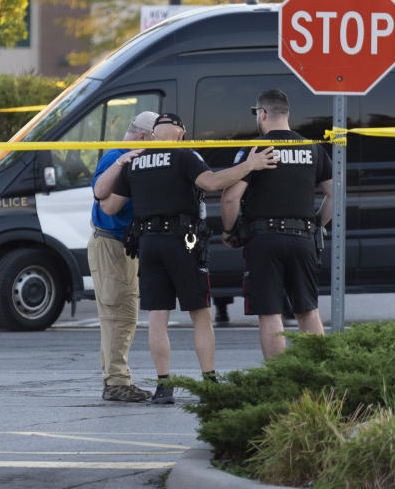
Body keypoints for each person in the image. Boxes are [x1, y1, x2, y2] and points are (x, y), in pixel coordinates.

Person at [99, 112, 277, 404]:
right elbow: (212, 182)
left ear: (155, 134)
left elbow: (109, 207)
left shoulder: (136, 162)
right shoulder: (185, 156)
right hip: (182, 242)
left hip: (148, 244)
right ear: (181, 134)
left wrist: (118, 165)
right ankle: (208, 383)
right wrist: (251, 165)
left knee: (158, 317)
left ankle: (164, 386)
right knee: (200, 315)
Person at [220, 89, 333, 358]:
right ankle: (319, 375)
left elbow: (230, 199)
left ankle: (279, 380)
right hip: (303, 238)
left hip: (264, 240)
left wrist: (228, 230)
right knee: (308, 310)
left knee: (270, 313)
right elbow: (335, 193)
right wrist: (317, 223)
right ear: (287, 113)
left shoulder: (256, 150)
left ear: (263, 113)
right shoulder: (312, 148)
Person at [89, 110, 158, 402]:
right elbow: (102, 197)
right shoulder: (118, 157)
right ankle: (116, 382)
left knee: (119, 313)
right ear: (143, 137)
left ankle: (115, 379)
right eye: (159, 139)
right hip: (112, 245)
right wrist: (125, 165)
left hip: (118, 245)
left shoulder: (124, 156)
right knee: (120, 314)